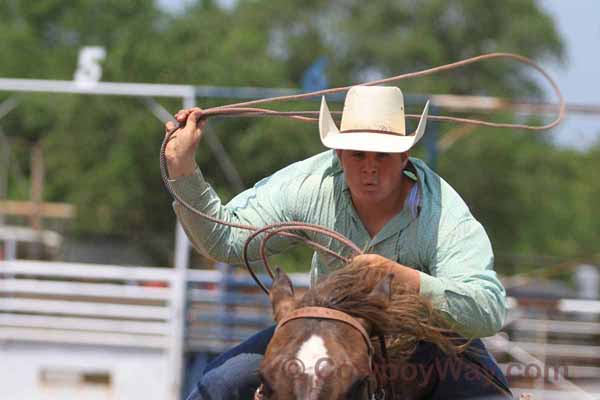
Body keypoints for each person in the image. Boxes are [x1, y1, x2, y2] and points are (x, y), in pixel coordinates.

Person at [165, 86, 511, 399]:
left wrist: (398, 276)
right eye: (358, 155)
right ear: (340, 155)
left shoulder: (442, 213)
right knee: (220, 383)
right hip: (326, 330)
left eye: (383, 156)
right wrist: (182, 169)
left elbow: (487, 309)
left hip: (424, 339)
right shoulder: (309, 187)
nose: (370, 169)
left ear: (405, 157)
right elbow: (224, 239)